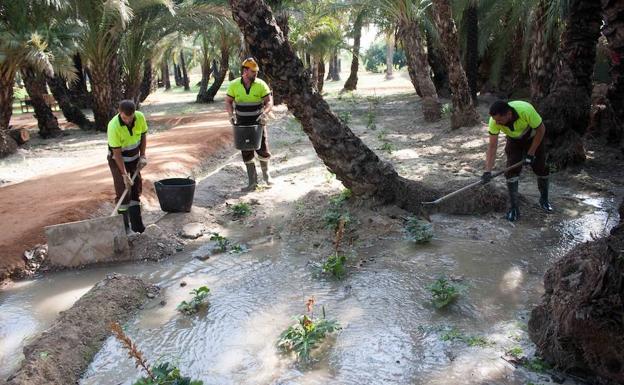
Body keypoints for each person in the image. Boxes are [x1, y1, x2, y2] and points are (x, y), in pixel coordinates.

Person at [482, 100, 553, 222]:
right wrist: (487, 171)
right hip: (514, 140)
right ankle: (514, 208)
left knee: (540, 168)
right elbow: (492, 147)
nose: (496, 123)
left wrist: (531, 153)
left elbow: (541, 129)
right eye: (495, 120)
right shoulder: (494, 121)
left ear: (508, 114)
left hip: (533, 137)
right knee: (511, 170)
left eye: (499, 120)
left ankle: (544, 200)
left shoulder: (526, 110)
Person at [225, 57, 274, 191]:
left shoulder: (261, 84)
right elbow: (228, 101)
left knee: (263, 149)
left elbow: (269, 102)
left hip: (258, 123)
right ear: (245, 71)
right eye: (253, 71)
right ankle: (252, 182)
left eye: (256, 71)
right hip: (242, 123)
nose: (256, 74)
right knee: (246, 151)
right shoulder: (234, 85)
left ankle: (266, 176)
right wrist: (231, 115)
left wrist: (265, 113)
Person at [107, 99, 147, 233]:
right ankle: (124, 229)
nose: (128, 121)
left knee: (136, 189)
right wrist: (124, 175)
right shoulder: (113, 126)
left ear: (134, 113)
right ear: (119, 113)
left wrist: (143, 156)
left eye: (130, 118)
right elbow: (117, 154)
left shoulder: (140, 117)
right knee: (122, 192)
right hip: (118, 160)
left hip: (135, 158)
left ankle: (138, 227)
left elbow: (143, 136)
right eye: (124, 118)